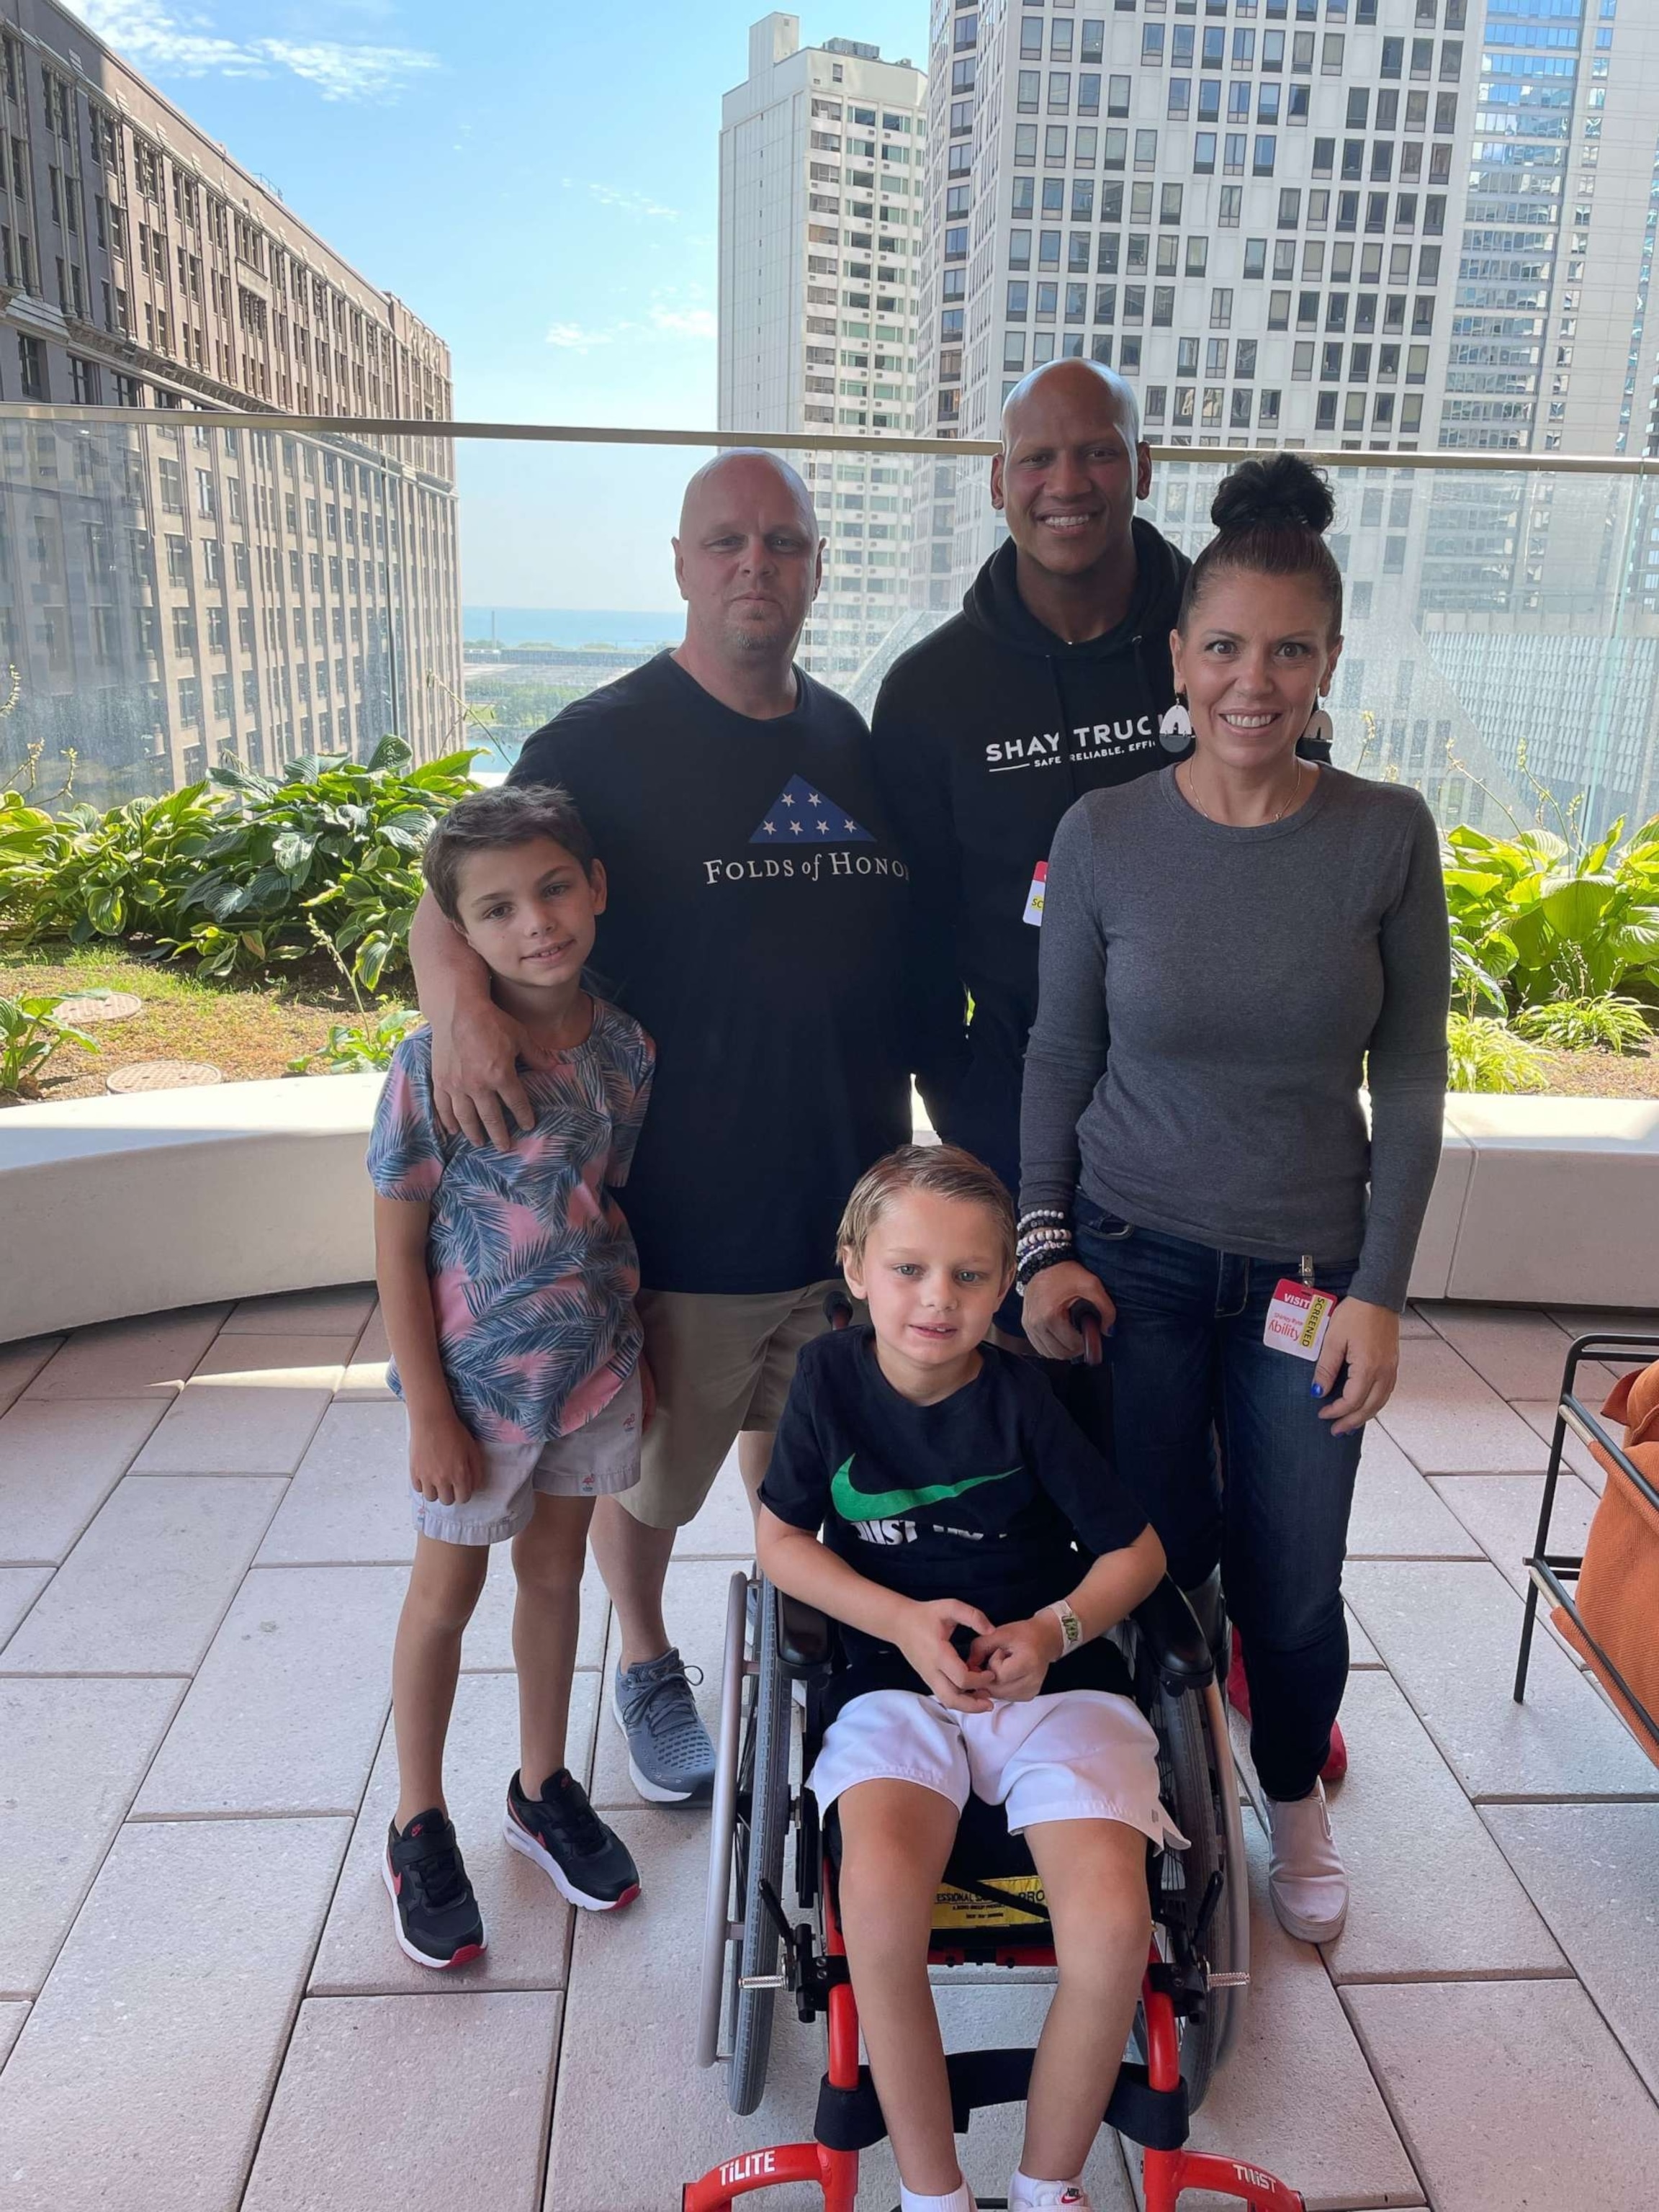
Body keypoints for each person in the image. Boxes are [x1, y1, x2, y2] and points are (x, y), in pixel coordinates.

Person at [406, 451, 917, 1807]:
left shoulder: (846, 737)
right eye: (728, 541)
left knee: (809, 1450)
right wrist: (461, 1004)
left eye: (785, 542)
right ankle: (644, 1659)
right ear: (681, 563)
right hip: (685, 1209)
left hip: (855, 1198)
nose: (758, 564)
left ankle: (811, 1643)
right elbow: (458, 883)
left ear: (815, 564)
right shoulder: (599, 740)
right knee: (651, 1484)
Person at [1017, 455, 1450, 1946]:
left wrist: (1382, 1292)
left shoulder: (1387, 834)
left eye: (1286, 650)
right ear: (1179, 659)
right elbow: (1061, 1051)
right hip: (1130, 1254)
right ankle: (1145, 1776)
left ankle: (1294, 1793)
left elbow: (1413, 1079)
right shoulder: (1105, 832)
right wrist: (1039, 1246)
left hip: (1307, 1272)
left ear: (1329, 664)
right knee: (1148, 1545)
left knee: (1294, 1570)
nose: (1250, 680)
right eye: (1223, 646)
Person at [758, 1146, 1177, 2212]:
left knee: (1114, 1931)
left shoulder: (1027, 1400)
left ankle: (1049, 2188)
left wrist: (1050, 1627)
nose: (936, 1301)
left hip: (1054, 1685)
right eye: (907, 1270)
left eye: (969, 1277)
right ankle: (932, 2196)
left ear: (1004, 1287)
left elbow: (1137, 1556)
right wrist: (900, 1620)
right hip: (893, 1684)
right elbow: (782, 1543)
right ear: (854, 1269)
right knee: (881, 1917)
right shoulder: (827, 1379)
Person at [370, 784, 652, 1967]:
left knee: (554, 1580)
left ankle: (543, 1787)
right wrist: (428, 1404)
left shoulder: (629, 1049)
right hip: (476, 1400)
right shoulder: (430, 1064)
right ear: (461, 935)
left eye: (551, 889)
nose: (534, 922)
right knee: (446, 1596)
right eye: (496, 908)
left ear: (595, 889)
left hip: (592, 1374)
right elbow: (396, 1236)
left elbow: (607, 1197)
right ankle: (416, 1820)